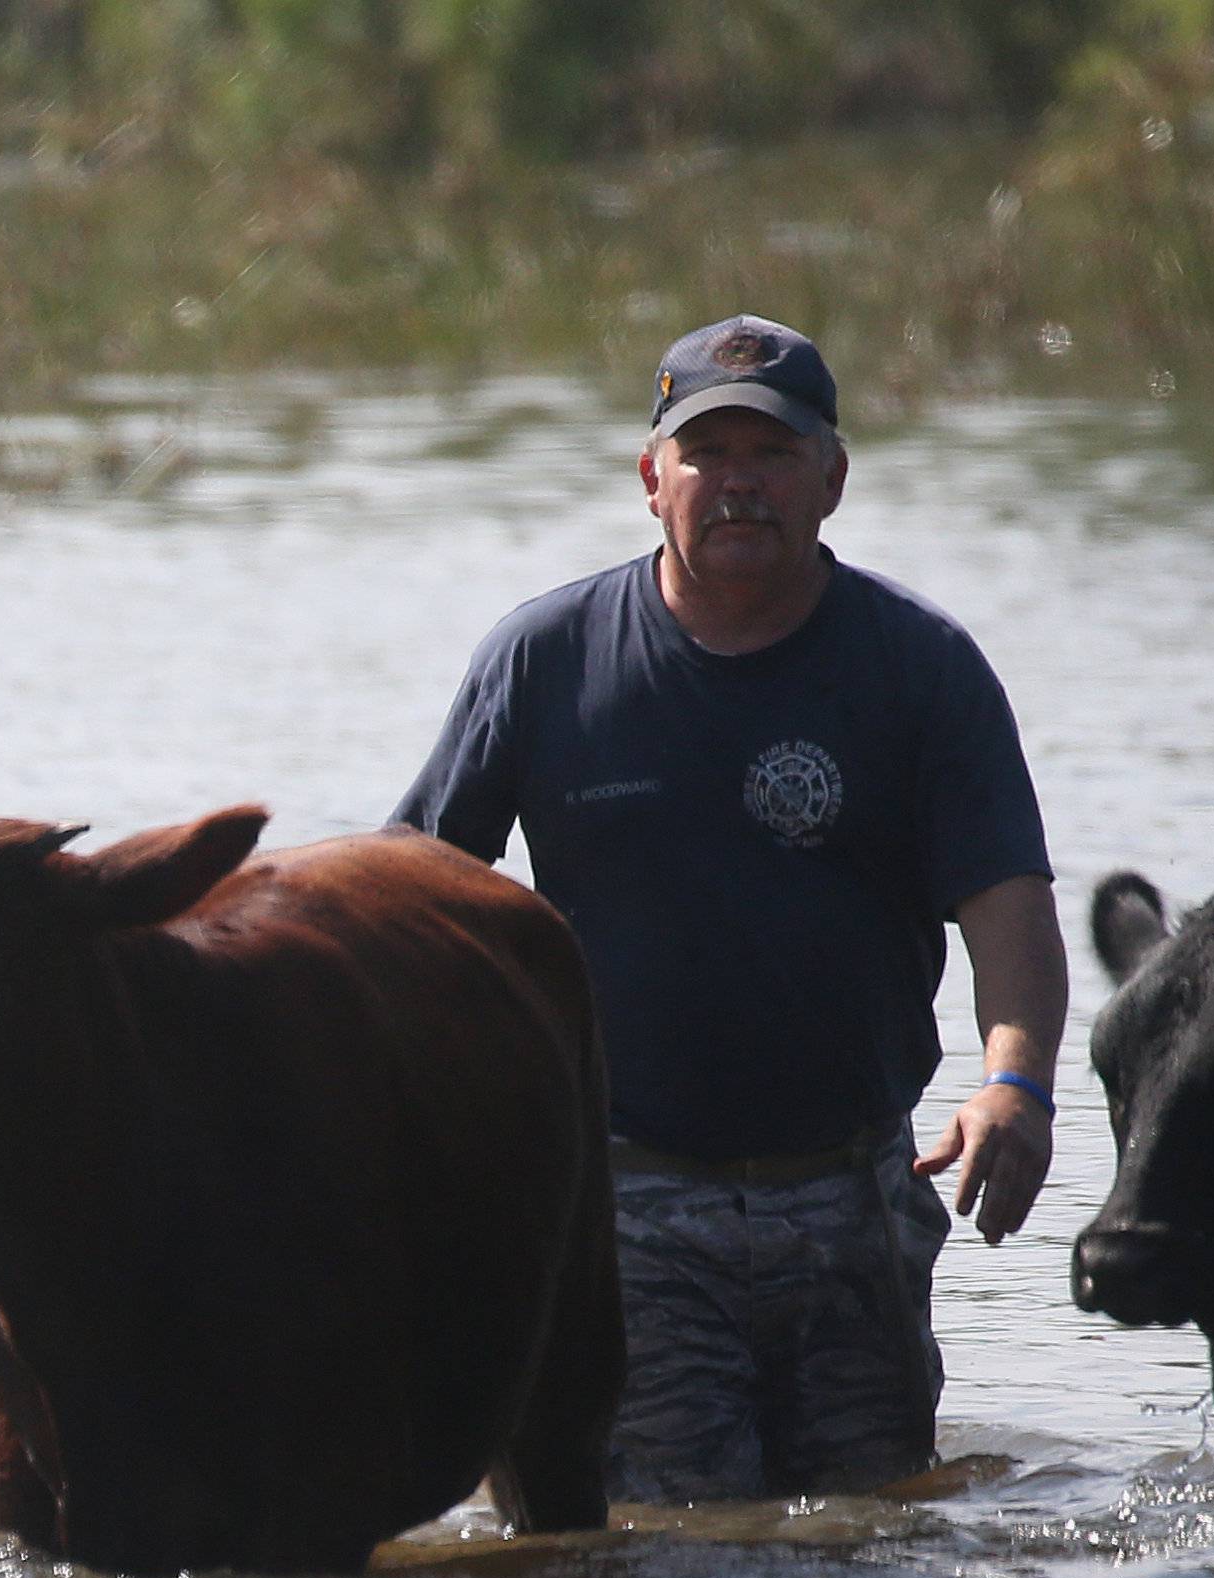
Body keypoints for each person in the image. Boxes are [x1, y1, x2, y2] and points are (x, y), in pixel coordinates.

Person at [392, 314, 1067, 1503]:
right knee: (674, 1544)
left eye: (774, 454)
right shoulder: (548, 658)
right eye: (708, 454)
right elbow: (413, 894)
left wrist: (1014, 1083)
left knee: (870, 1537)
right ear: (652, 480)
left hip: (856, 1190)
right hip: (625, 1196)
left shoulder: (920, 669)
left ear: (833, 480)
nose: (740, 484)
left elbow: (1005, 901)